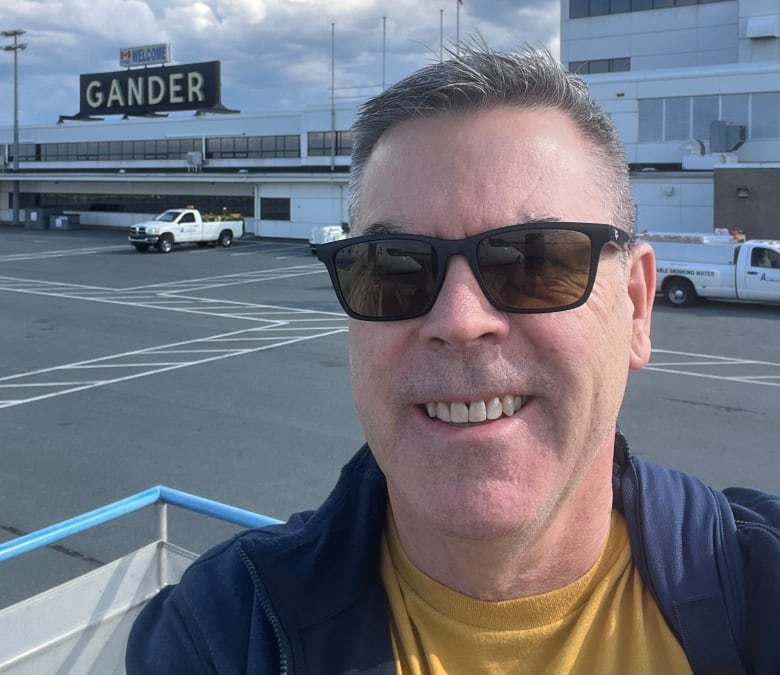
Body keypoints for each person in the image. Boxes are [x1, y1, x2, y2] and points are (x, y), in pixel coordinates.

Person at [126, 44, 780, 674]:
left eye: (535, 261)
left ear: (637, 307)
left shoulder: (760, 587)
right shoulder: (218, 633)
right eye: (394, 268)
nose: (460, 320)